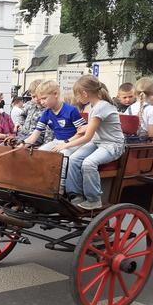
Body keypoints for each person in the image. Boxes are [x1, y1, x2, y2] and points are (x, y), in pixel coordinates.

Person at [60, 76, 124, 210]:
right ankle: (75, 195)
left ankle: (94, 199)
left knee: (89, 163)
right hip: (99, 142)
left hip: (112, 145)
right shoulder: (95, 106)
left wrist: (65, 145)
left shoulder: (100, 107)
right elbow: (94, 127)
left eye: (77, 95)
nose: (76, 99)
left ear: (85, 93)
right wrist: (86, 127)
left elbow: (87, 137)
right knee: (73, 159)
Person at [22, 80, 85, 155]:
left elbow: (82, 133)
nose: (41, 102)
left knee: (62, 156)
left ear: (55, 94)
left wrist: (65, 143)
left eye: (44, 98)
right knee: (40, 153)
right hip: (57, 141)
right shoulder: (46, 113)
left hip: (73, 143)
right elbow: (34, 136)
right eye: (40, 99)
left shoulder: (71, 110)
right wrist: (20, 146)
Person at [17, 80, 55, 145]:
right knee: (8, 144)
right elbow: (22, 115)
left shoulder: (47, 109)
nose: (36, 99)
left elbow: (49, 129)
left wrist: (45, 145)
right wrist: (21, 124)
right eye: (33, 97)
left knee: (19, 145)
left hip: (38, 137)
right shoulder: (29, 105)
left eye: (38, 96)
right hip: (23, 133)